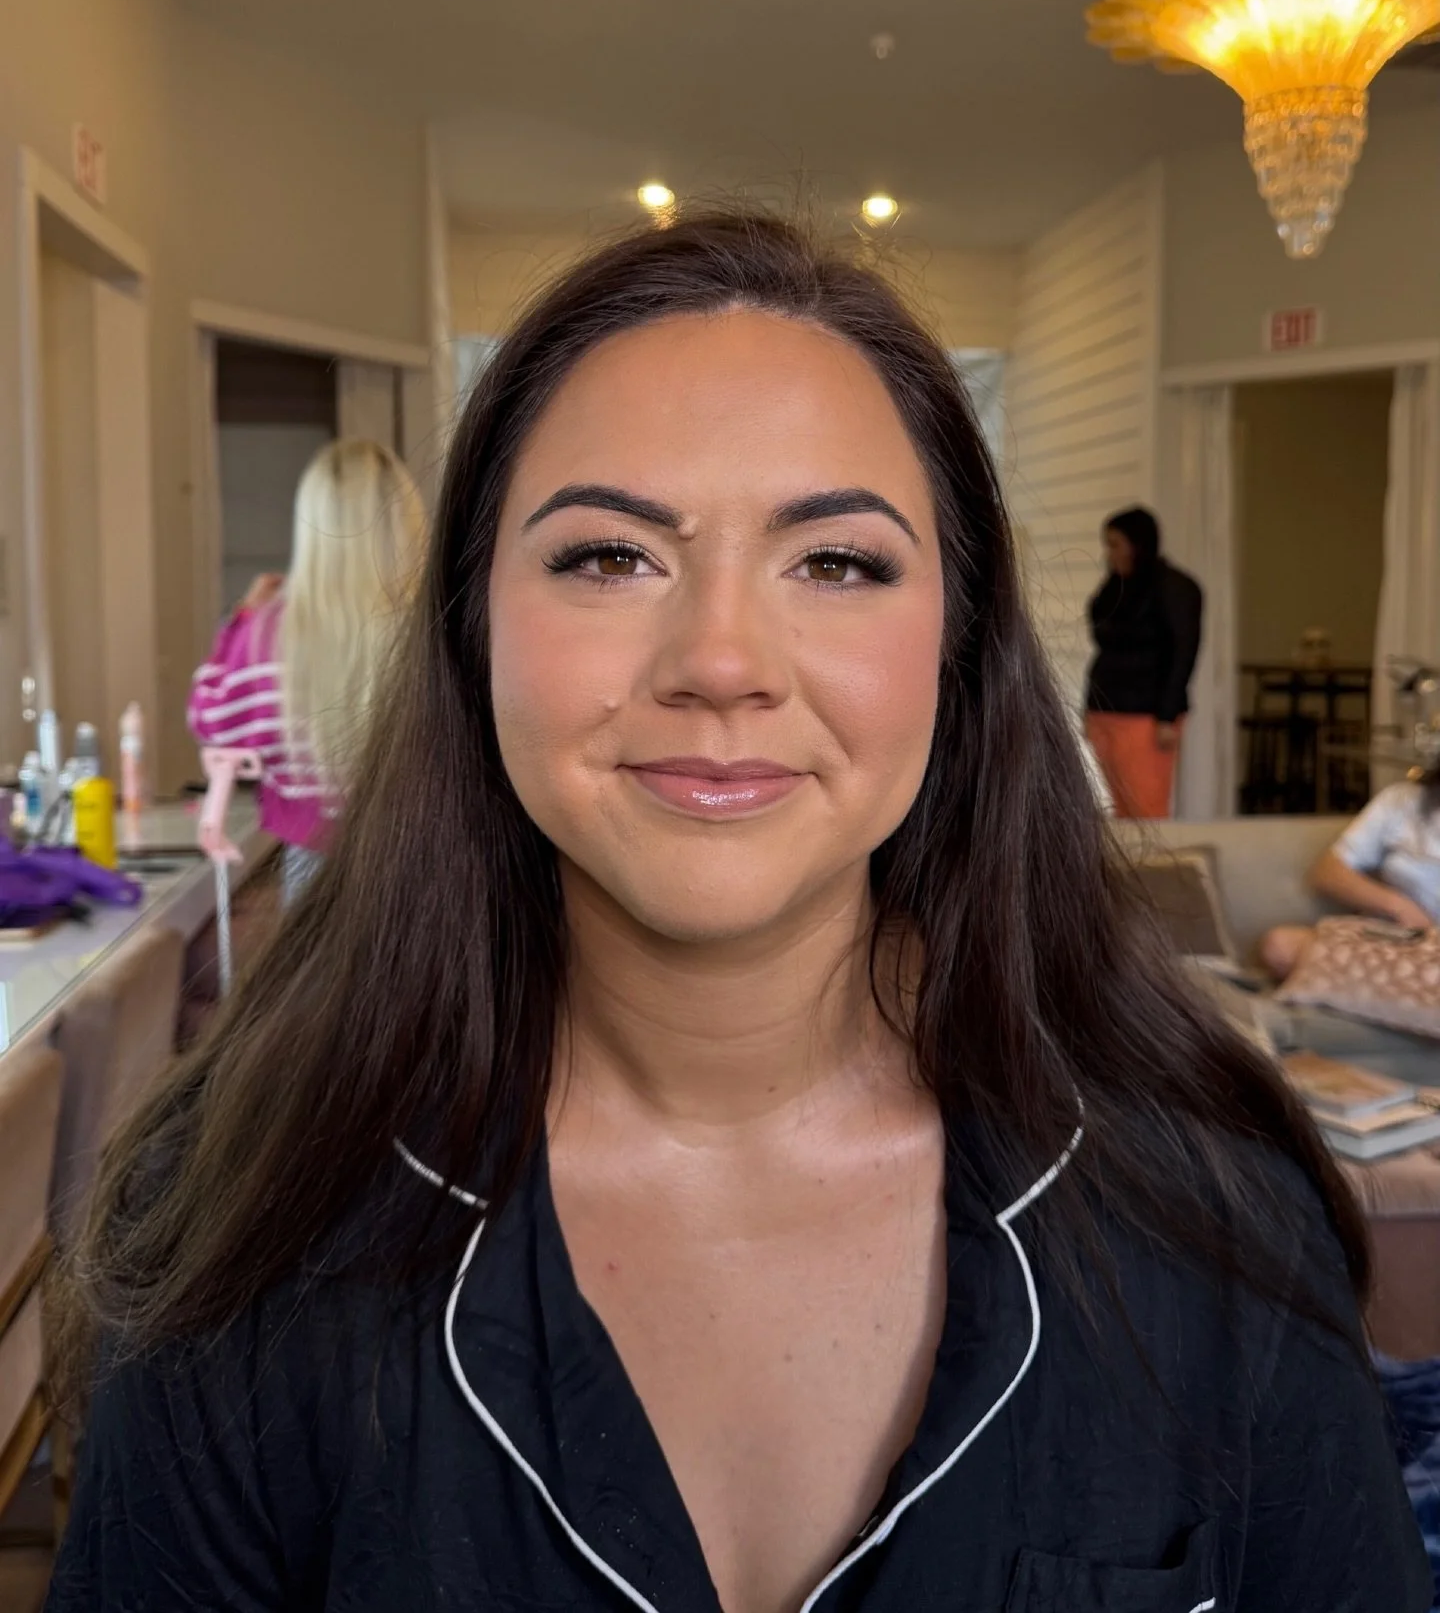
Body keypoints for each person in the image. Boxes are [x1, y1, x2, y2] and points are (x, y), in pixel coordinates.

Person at [50, 214, 1426, 1612]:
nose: (719, 660)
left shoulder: (1211, 1211)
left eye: (836, 563)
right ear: (472, 628)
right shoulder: (244, 1222)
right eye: (607, 556)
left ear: (960, 647)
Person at [187, 438, 427, 902]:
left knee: (324, 977)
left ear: (312, 525)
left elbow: (211, 721)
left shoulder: (265, 637)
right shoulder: (441, 625)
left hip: (313, 864)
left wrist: (241, 620)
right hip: (427, 857)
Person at [1261, 767, 1440, 979]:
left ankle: (1384, 994)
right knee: (1280, 946)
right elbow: (1327, 872)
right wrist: (1400, 907)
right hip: (1393, 942)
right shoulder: (1402, 800)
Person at [1084, 506, 1203, 820]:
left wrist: (1166, 716)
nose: (1109, 553)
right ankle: (1123, 870)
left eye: (1115, 544)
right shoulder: (1115, 588)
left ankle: (1148, 870)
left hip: (1145, 718)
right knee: (1118, 808)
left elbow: (1183, 653)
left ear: (1138, 545)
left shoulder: (1176, 589)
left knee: (1145, 809)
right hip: (1105, 710)